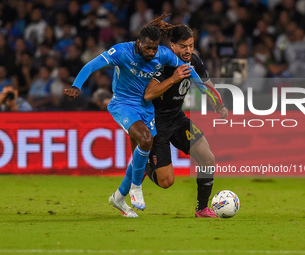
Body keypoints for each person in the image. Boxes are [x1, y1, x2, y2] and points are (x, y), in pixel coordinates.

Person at [64, 24, 207, 217]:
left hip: (146, 107)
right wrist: (76, 85)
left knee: (142, 151)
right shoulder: (121, 52)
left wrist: (207, 92)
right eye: (147, 47)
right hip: (123, 104)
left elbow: (187, 69)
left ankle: (119, 197)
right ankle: (136, 187)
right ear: (138, 43)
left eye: (154, 48)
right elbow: (92, 65)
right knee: (146, 140)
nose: (151, 52)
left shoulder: (162, 54)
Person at [143, 16, 228, 217]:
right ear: (172, 46)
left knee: (208, 158)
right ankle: (143, 163)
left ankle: (202, 208)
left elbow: (206, 85)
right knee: (166, 182)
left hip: (177, 118)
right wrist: (173, 78)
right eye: (183, 46)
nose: (188, 50)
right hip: (156, 123)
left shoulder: (195, 61)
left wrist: (218, 104)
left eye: (191, 45)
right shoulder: (162, 64)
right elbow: (148, 94)